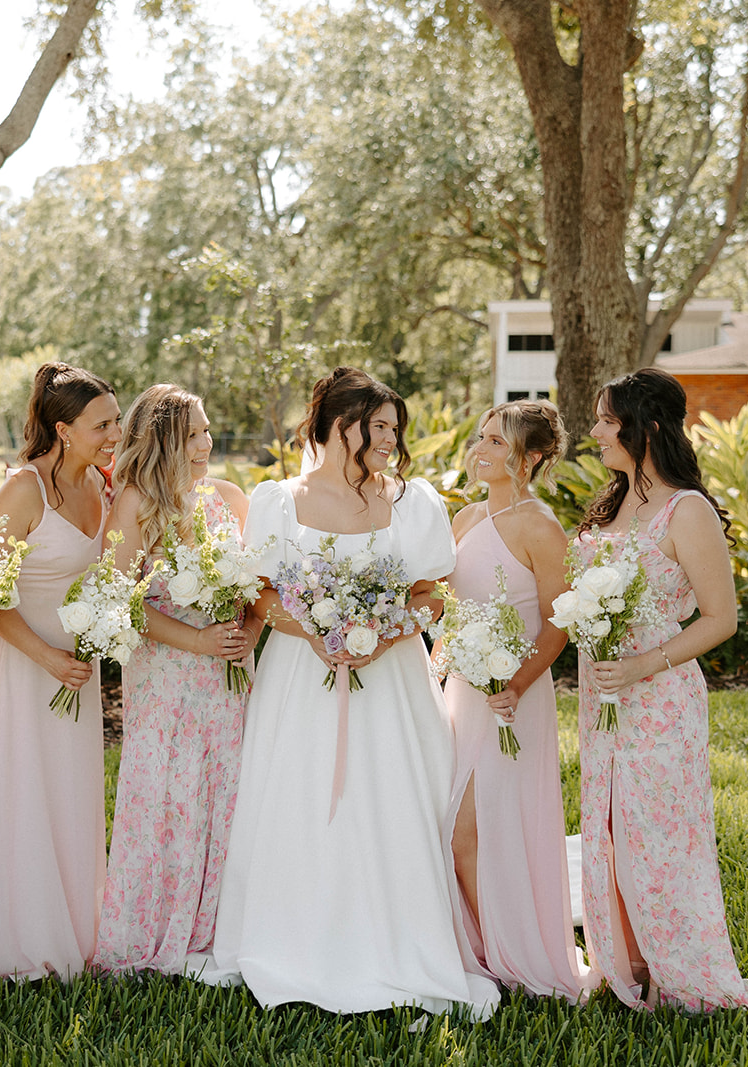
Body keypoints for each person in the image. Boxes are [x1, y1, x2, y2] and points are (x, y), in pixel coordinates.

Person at [207, 366, 499, 1019]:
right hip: (298, 679)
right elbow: (259, 592)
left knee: (394, 795)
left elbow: (429, 593)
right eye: (381, 426)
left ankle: (401, 935)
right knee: (301, 797)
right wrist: (316, 634)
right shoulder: (278, 501)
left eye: (397, 427)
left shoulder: (412, 502)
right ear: (343, 425)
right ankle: (295, 934)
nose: (393, 438)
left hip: (391, 679)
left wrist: (381, 632)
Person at [575, 367, 748, 1018]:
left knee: (658, 832)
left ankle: (682, 969)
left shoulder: (689, 510)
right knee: (605, 825)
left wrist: (639, 666)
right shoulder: (613, 502)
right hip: (602, 700)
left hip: (657, 700)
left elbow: (720, 618)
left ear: (645, 426)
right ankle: (623, 961)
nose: (595, 430)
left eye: (605, 418)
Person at [94, 384, 259, 976]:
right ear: (164, 438)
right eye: (194, 433)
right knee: (170, 795)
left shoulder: (229, 497)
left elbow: (258, 587)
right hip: (167, 675)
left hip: (229, 675)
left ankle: (219, 924)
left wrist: (246, 631)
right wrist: (196, 639)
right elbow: (119, 598)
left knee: (227, 792)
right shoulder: (137, 502)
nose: (206, 443)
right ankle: (155, 927)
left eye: (208, 431)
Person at [441, 400, 597, 1004]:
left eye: (498, 443)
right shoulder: (465, 517)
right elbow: (447, 604)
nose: (482, 451)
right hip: (461, 693)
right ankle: (484, 944)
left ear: (531, 458)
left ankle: (512, 958)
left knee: (470, 832)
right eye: (481, 438)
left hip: (513, 699)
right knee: (460, 828)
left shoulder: (541, 527)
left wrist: (513, 685)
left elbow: (557, 626)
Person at [0, 362, 120, 983]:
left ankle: (80, 931)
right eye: (103, 424)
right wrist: (45, 656)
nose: (116, 433)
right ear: (63, 429)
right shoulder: (23, 490)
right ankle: (27, 947)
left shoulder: (105, 487)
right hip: (25, 667)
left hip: (78, 671)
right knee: (26, 792)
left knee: (72, 792)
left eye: (116, 421)